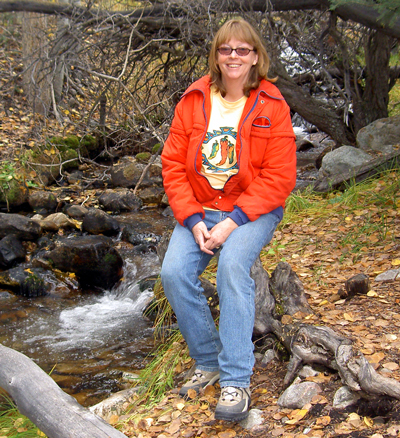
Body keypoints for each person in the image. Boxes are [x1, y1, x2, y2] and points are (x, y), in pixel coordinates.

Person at [160, 18, 297, 422]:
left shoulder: (272, 105)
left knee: (233, 267)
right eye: (225, 50)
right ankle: (209, 360)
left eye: (242, 50)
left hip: (252, 209)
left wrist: (233, 220)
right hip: (201, 207)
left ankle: (236, 379)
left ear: (255, 56)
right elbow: (172, 165)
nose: (233, 56)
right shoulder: (193, 101)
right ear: (216, 56)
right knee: (173, 273)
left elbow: (280, 176)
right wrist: (192, 218)